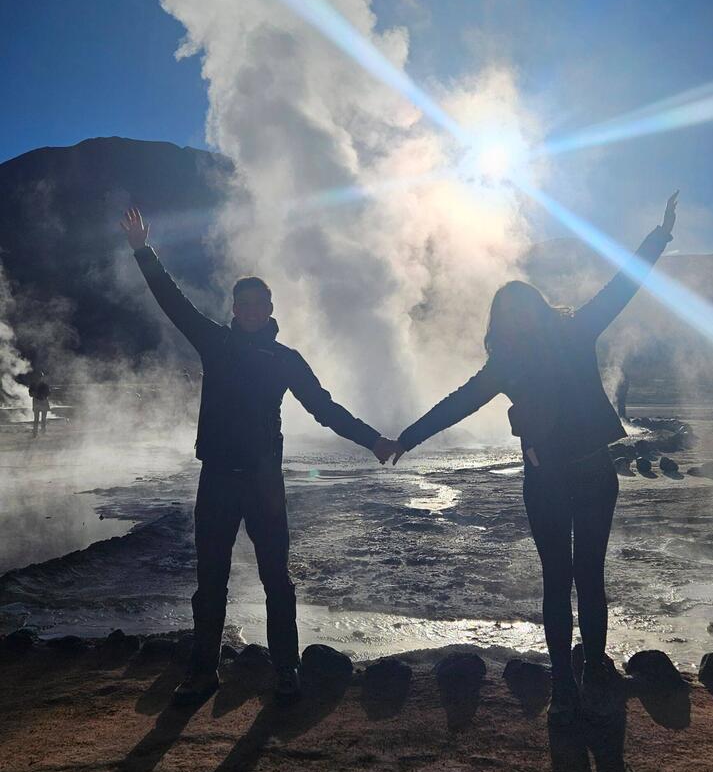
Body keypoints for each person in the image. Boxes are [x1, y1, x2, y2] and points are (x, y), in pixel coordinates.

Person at [390, 193, 679, 726]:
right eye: (507, 313)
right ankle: (564, 682)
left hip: (593, 472)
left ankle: (593, 669)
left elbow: (622, 287)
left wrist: (658, 237)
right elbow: (457, 403)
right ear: (500, 322)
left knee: (589, 574)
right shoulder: (504, 365)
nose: (517, 319)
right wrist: (407, 437)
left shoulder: (576, 330)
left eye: (522, 308)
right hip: (544, 480)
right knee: (556, 578)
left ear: (537, 308)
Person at [120, 207, 397, 707]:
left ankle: (285, 670)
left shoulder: (285, 360)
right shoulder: (215, 342)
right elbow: (172, 301)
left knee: (276, 578)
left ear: (270, 309)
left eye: (259, 303)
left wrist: (373, 440)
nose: (250, 309)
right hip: (219, 479)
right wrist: (144, 250)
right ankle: (203, 673)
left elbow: (325, 409)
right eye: (243, 303)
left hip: (265, 481)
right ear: (234, 308)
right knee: (211, 581)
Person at [29, 371, 50, 437]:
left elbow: (48, 393)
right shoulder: (35, 385)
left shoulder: (44, 385)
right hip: (38, 401)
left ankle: (40, 432)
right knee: (37, 419)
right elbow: (30, 394)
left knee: (41, 418)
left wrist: (43, 395)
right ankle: (36, 433)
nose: (39, 378)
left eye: (40, 377)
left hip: (41, 401)